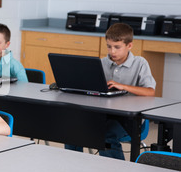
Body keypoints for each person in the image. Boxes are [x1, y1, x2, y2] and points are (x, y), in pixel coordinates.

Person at [66, 23, 156, 160]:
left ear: (129, 46)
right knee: (73, 128)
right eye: (109, 46)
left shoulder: (140, 63)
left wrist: (123, 86)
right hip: (104, 113)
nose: (112, 51)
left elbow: (150, 92)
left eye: (117, 47)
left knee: (105, 134)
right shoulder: (102, 63)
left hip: (129, 118)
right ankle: (74, 165)